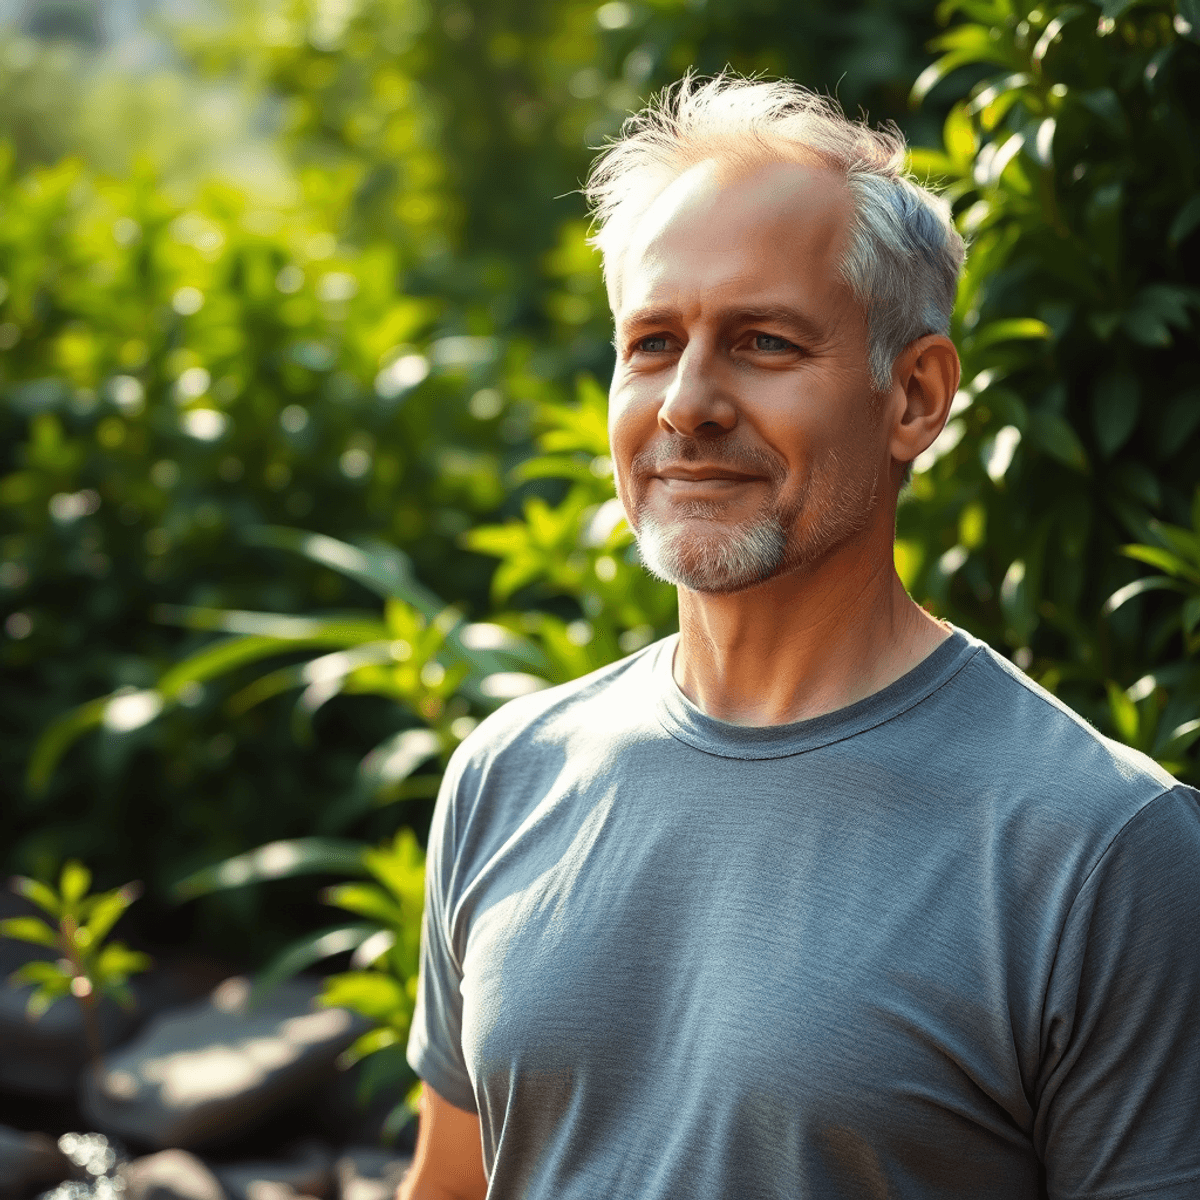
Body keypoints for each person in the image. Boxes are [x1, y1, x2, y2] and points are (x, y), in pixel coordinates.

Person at [398, 75, 1200, 1199]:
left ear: (914, 396)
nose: (686, 404)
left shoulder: (1105, 852)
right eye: (652, 342)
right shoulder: (507, 773)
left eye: (762, 342)